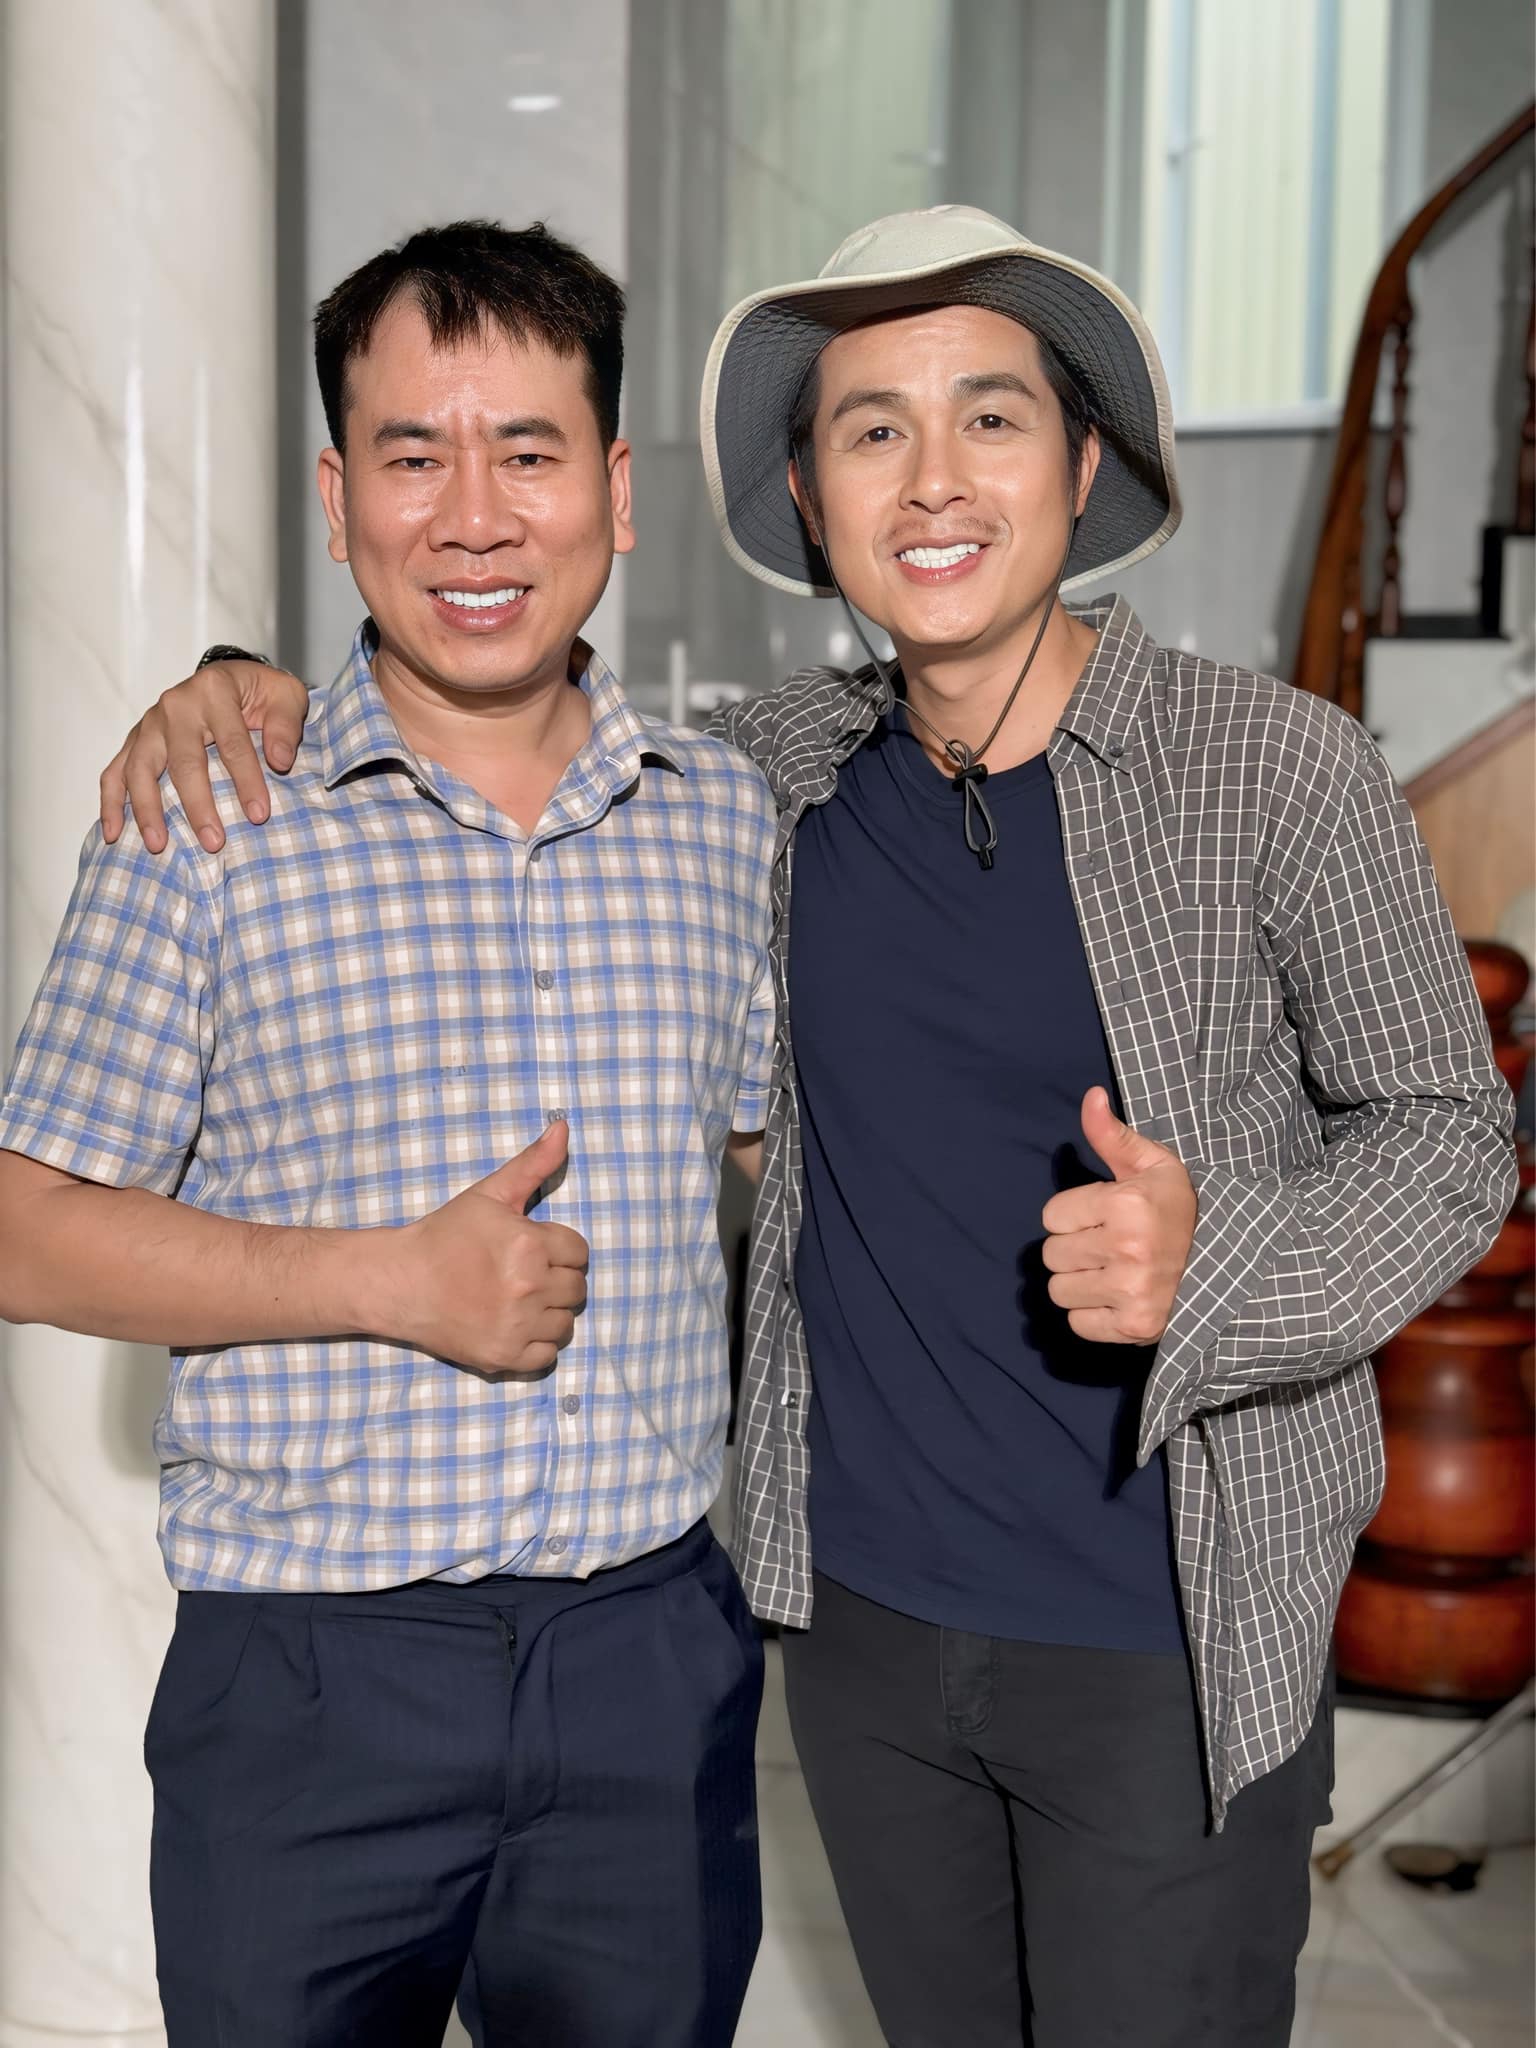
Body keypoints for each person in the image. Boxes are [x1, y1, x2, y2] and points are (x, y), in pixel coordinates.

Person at [97, 207, 1517, 2048]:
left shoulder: (1278, 767)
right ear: (811, 496)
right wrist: (242, 680)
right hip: (861, 1639)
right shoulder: (759, 785)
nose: (933, 480)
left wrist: (1224, 1256)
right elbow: (500, 720)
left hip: (1169, 1624)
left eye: (990, 418)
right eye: (871, 430)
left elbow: (1449, 1130)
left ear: (1081, 465)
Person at [0, 220, 774, 2048]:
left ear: (617, 491)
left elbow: (785, 1167)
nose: (475, 518)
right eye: (415, 456)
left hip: (646, 1656)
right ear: (341, 499)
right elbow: (26, 1230)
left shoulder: (727, 819)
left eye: (529, 452)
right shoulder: (209, 819)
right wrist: (389, 1283)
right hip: (309, 1679)